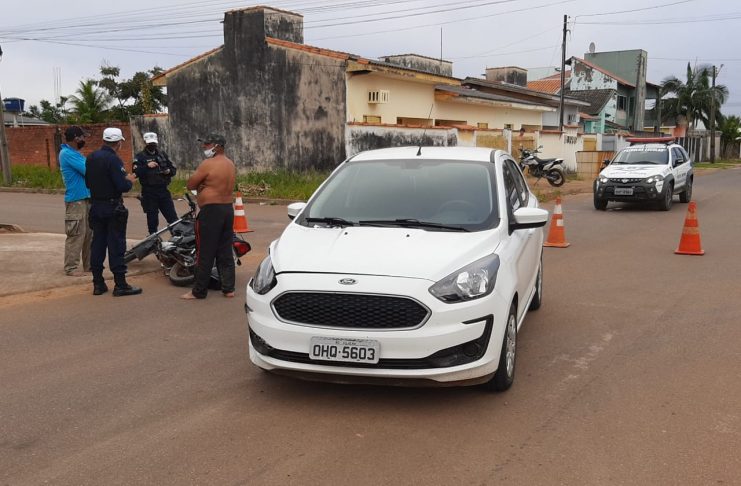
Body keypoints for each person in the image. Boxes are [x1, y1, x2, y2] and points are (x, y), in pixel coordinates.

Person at [85, 127, 142, 297]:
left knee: (98, 244)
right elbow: (122, 186)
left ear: (104, 140)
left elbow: (88, 183)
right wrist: (129, 180)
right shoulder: (113, 159)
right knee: (116, 245)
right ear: (118, 143)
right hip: (112, 207)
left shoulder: (91, 157)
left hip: (96, 206)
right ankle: (120, 284)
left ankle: (98, 283)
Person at [180, 133, 236, 300]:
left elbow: (190, 184)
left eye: (207, 144)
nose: (204, 146)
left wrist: (201, 186)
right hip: (227, 209)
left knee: (205, 251)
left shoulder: (208, 164)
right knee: (225, 251)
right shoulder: (230, 164)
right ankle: (228, 288)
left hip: (211, 211)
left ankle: (198, 291)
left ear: (217, 146)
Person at [59, 126, 92, 277]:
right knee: (77, 234)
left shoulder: (75, 154)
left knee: (89, 234)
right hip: (76, 200)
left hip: (85, 198)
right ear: (76, 138)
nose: (84, 140)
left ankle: (89, 266)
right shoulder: (67, 154)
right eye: (83, 137)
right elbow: (88, 171)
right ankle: (71, 268)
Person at [133, 132, 178, 234]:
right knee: (152, 220)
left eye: (154, 143)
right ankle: (153, 239)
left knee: (172, 218)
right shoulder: (140, 157)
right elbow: (136, 172)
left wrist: (168, 171)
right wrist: (147, 166)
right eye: (150, 143)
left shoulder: (162, 154)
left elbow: (173, 170)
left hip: (163, 190)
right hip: (149, 192)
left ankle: (177, 236)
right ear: (145, 143)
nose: (152, 145)